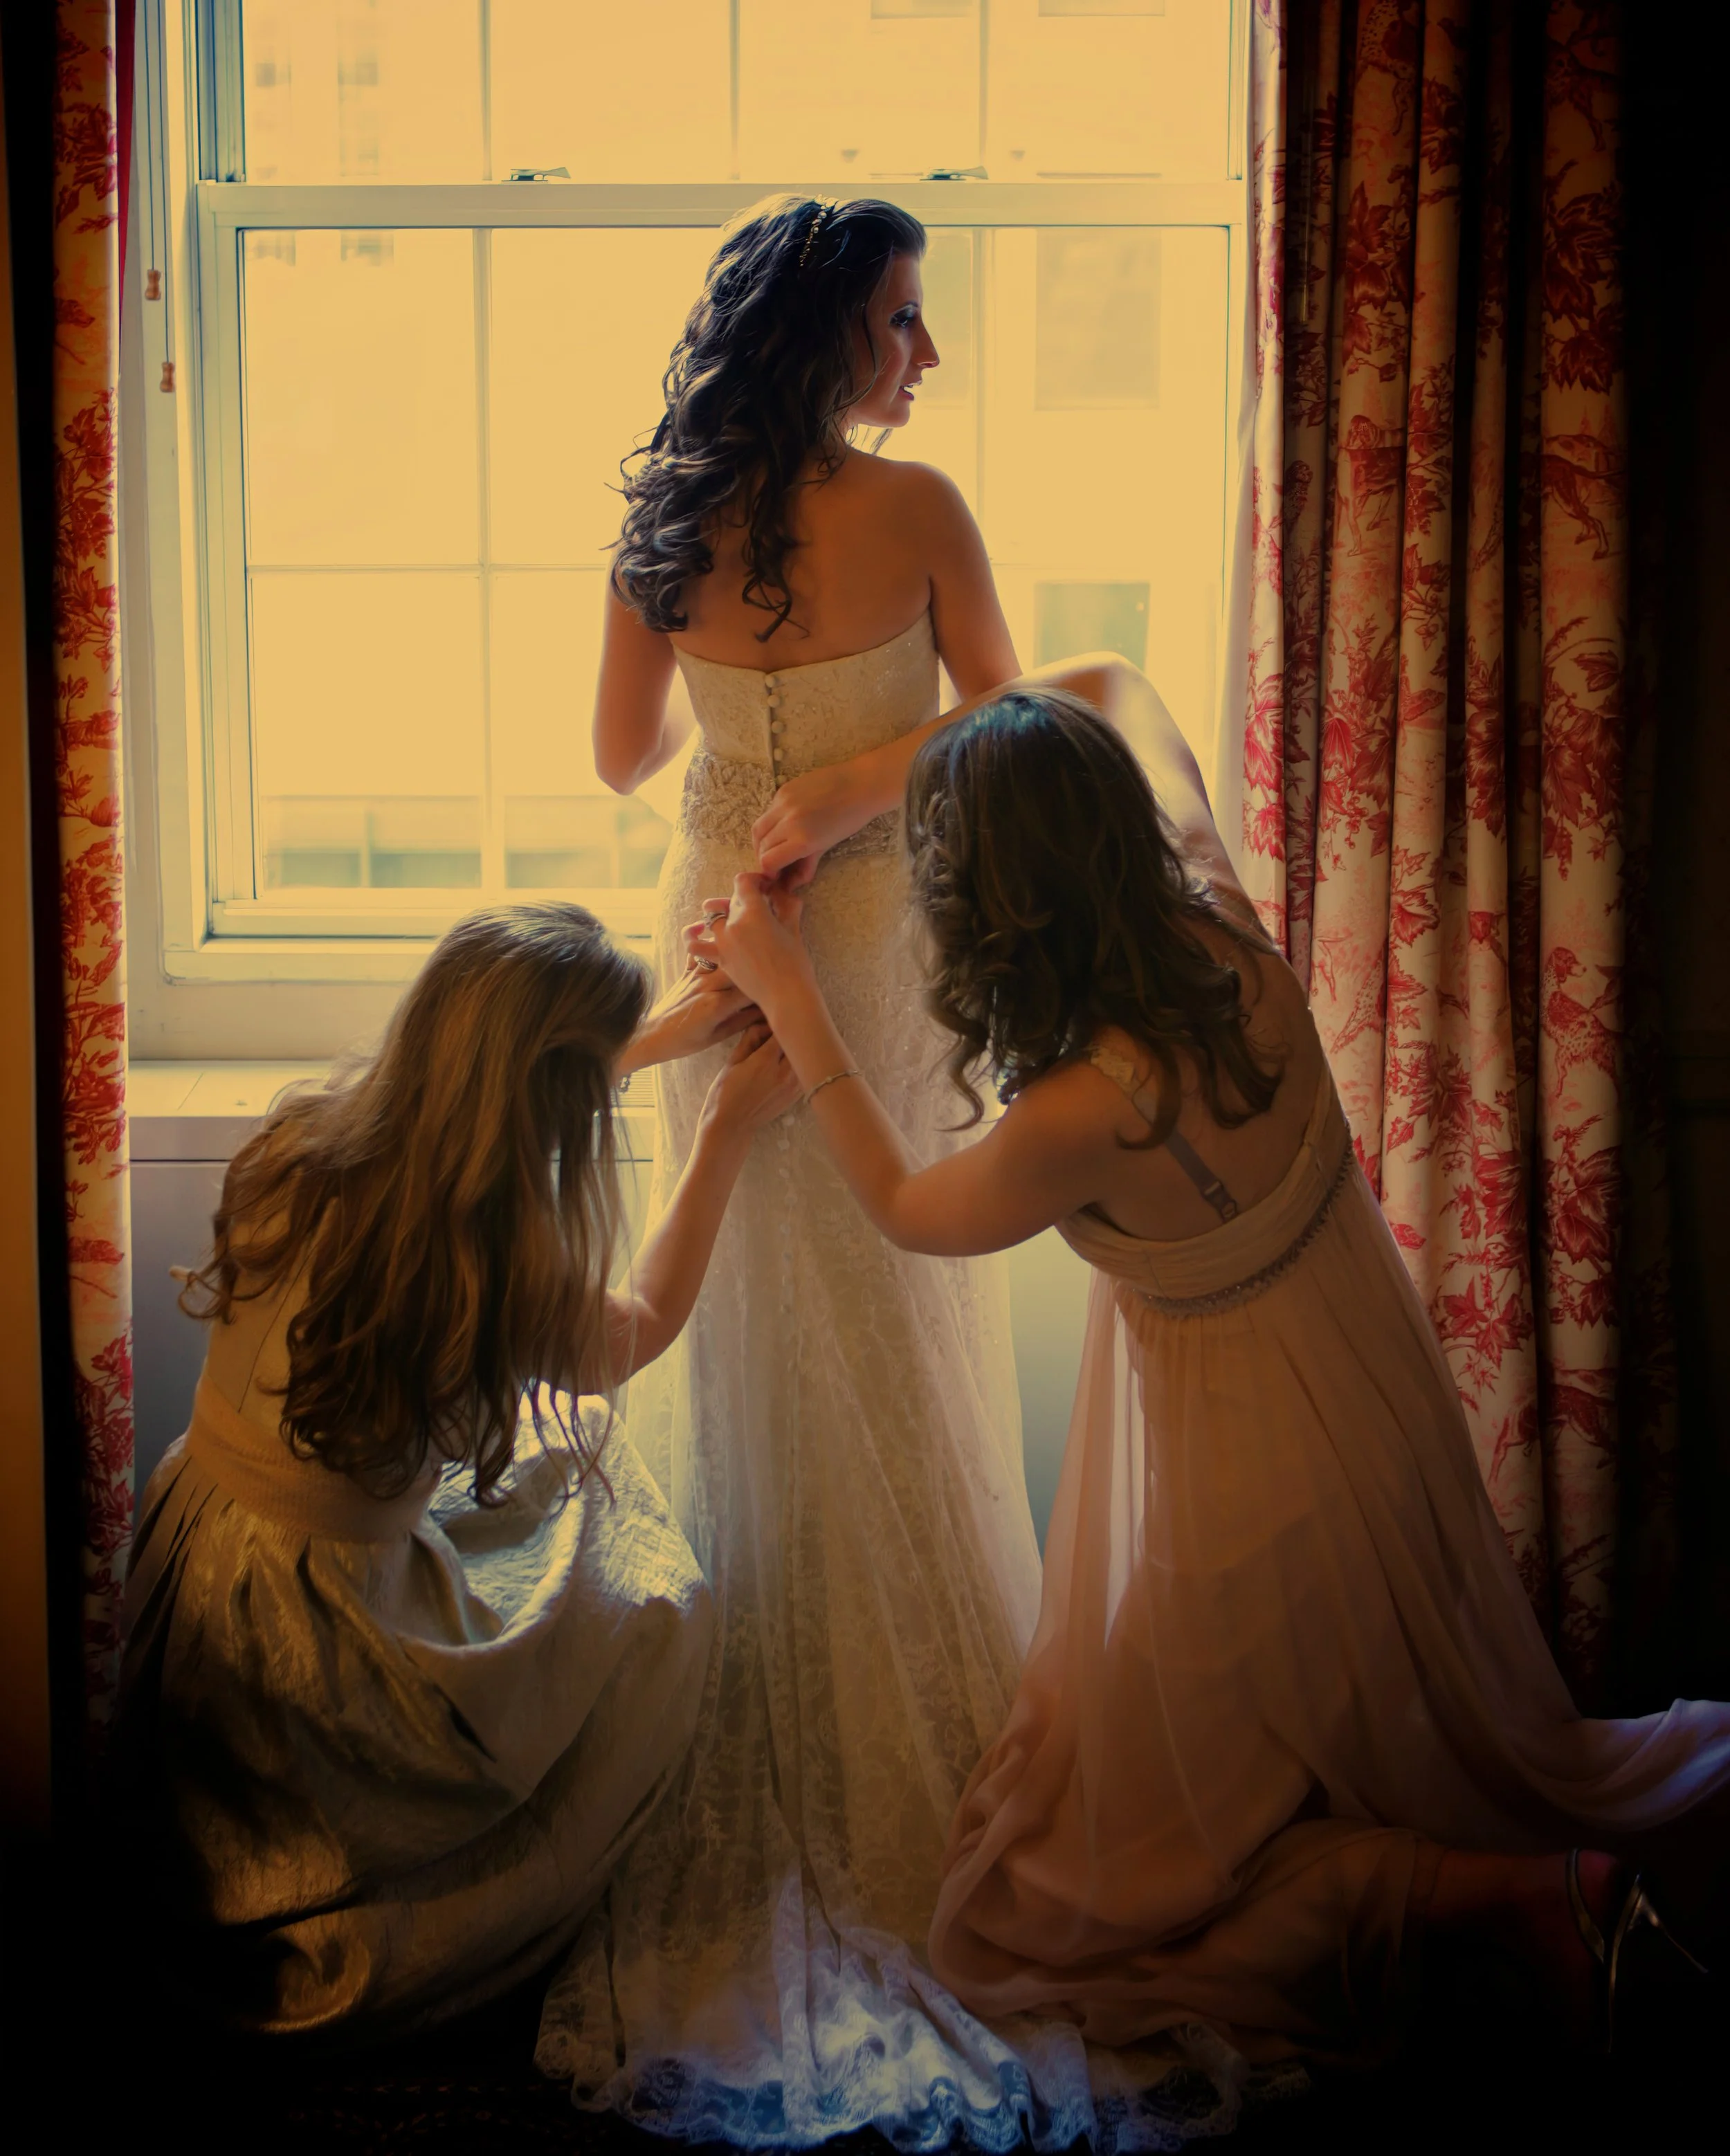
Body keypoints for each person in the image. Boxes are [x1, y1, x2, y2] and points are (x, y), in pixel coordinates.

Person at [695, 666, 1729, 2076]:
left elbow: (907, 1210)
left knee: (1015, 1928)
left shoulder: (1084, 1104)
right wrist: (866, 780)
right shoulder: (1217, 924)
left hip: (1249, 1503)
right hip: (1371, 1408)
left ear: (986, 906)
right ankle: (1550, 1863)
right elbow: (1111, 681)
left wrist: (786, 986)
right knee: (1317, 1767)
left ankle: (1505, 1895)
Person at [538, 194, 1051, 2144]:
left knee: (762, 1354)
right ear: (833, 329)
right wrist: (860, 774)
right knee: (889, 1339)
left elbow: (610, 760)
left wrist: (772, 768)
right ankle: (903, 1784)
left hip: (725, 932)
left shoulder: (661, 528)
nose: (924, 361)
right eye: (905, 324)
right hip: (865, 963)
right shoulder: (918, 515)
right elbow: (1008, 726)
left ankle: (778, 1764)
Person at [116, 904, 797, 2040]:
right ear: (553, 1102)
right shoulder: (492, 1259)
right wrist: (724, 1127)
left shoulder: (300, 1144)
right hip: (315, 1642)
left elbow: (483, 1083)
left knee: (546, 1488)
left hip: (203, 1564)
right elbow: (636, 1328)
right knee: (656, 1602)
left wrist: (645, 1041)